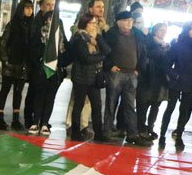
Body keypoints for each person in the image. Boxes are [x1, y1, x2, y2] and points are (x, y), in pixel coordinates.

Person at [101, 10, 150, 146]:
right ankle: (107, 131)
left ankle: (132, 133)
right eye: (127, 21)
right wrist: (110, 65)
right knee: (111, 103)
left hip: (131, 73)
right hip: (116, 73)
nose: (129, 23)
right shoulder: (111, 34)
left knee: (129, 105)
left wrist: (138, 69)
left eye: (131, 21)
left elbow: (143, 52)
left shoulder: (137, 34)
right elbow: (104, 51)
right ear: (119, 22)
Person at [25, 0, 66, 136]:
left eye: (53, 5)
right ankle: (35, 121)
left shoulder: (59, 24)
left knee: (50, 96)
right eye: (48, 4)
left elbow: (64, 44)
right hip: (40, 66)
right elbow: (31, 45)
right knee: (38, 94)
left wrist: (62, 63)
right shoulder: (36, 23)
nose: (51, 7)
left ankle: (44, 122)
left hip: (55, 66)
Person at [159, 20, 192, 149]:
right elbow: (166, 64)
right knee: (170, 108)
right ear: (186, 30)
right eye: (191, 28)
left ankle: (179, 135)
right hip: (177, 82)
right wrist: (175, 75)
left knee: (184, 110)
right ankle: (162, 135)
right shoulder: (178, 45)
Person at [67, 14, 109, 142]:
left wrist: (99, 38)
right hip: (81, 77)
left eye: (95, 23)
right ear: (84, 24)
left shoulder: (95, 38)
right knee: (78, 105)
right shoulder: (79, 38)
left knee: (97, 106)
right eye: (91, 23)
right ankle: (75, 132)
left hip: (94, 77)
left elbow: (107, 50)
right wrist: (102, 57)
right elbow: (85, 58)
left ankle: (99, 133)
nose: (94, 25)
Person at [0, 0, 33, 131]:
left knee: (18, 92)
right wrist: (5, 60)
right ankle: (0, 118)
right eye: (27, 8)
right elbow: (3, 43)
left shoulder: (31, 25)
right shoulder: (13, 24)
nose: (29, 10)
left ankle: (16, 119)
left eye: (31, 8)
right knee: (5, 90)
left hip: (23, 64)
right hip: (11, 63)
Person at [137, 22, 169, 140]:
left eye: (165, 30)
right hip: (148, 77)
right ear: (155, 31)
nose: (163, 32)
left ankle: (150, 127)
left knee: (156, 105)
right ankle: (141, 127)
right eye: (161, 30)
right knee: (144, 104)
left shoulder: (166, 45)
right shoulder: (149, 42)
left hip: (161, 79)